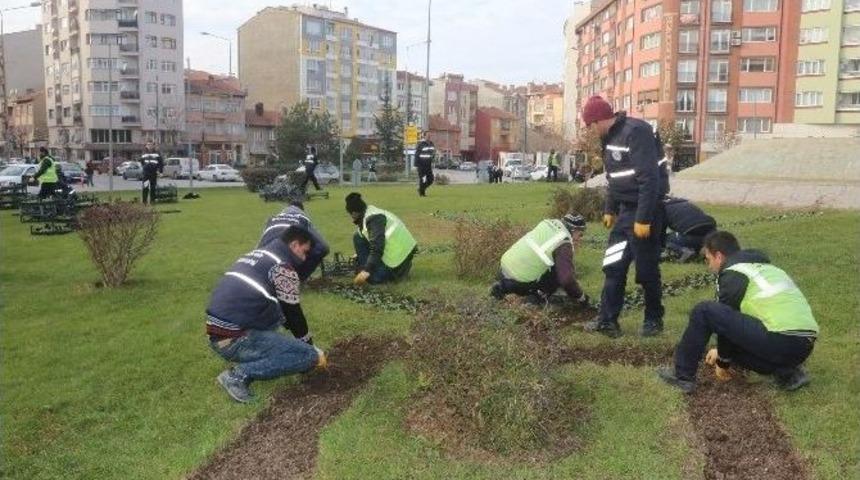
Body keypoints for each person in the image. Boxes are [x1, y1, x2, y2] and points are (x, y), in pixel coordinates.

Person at [657, 231, 819, 394]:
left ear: (719, 256)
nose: (709, 266)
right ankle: (789, 374)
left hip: (780, 337)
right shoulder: (767, 268)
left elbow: (723, 324)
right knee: (732, 348)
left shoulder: (734, 273)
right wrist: (724, 354)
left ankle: (682, 376)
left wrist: (722, 362)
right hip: (804, 345)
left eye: (708, 259)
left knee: (704, 310)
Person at [206, 225, 327, 403]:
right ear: (294, 245)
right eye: (305, 251)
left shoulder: (257, 255)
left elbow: (280, 312)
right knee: (307, 356)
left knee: (280, 326)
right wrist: (310, 348)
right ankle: (238, 376)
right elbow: (293, 313)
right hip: (235, 339)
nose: (305, 257)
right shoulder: (283, 268)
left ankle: (254, 357)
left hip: (220, 333)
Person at [581, 95, 670, 338]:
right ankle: (607, 321)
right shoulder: (608, 139)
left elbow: (649, 178)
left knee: (646, 270)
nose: (589, 131)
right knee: (613, 266)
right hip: (624, 213)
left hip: (647, 211)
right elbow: (614, 178)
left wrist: (644, 218)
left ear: (598, 120)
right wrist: (610, 209)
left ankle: (654, 320)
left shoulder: (636, 131)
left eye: (590, 125)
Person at [491, 213, 591, 307]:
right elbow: (567, 280)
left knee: (551, 264)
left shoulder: (547, 223)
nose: (579, 239)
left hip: (504, 266)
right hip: (522, 280)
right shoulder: (563, 243)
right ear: (574, 230)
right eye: (580, 234)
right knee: (559, 272)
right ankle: (534, 299)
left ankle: (502, 287)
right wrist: (581, 297)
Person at [345, 192, 417, 285]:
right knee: (358, 236)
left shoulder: (374, 219)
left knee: (373, 279)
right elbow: (370, 238)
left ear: (354, 213)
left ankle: (398, 271)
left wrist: (366, 270)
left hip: (398, 257)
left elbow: (377, 247)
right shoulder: (371, 212)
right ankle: (397, 269)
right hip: (404, 251)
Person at [258, 199, 330, 281]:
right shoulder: (302, 218)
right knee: (321, 249)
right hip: (288, 244)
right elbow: (321, 247)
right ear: (302, 209)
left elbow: (261, 241)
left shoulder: (272, 219)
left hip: (267, 249)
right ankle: (297, 279)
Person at [664, 197, 717, 262]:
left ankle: (683, 251)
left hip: (690, 236)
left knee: (663, 239)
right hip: (710, 235)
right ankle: (704, 250)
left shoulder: (661, 209)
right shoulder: (687, 204)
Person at [415, 131, 436, 196]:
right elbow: (417, 154)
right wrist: (416, 165)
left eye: (430, 135)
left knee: (431, 180)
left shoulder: (432, 144)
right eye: (427, 135)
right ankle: (422, 193)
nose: (429, 136)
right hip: (421, 165)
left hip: (428, 165)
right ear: (424, 136)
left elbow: (433, 153)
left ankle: (421, 189)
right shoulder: (421, 144)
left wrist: (433, 160)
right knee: (423, 179)